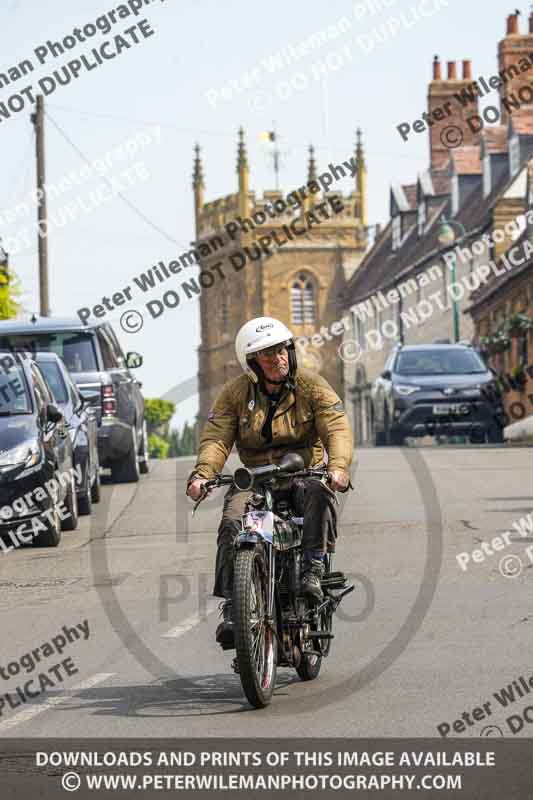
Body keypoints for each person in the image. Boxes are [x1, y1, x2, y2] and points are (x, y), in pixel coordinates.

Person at [186, 317, 353, 648]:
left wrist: (338, 467)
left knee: (319, 492)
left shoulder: (312, 385)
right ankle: (234, 605)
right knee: (234, 520)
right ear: (252, 364)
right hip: (257, 480)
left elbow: (336, 426)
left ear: (290, 351)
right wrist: (203, 474)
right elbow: (217, 437)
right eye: (266, 355)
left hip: (302, 473)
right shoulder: (235, 393)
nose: (277, 359)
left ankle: (312, 569)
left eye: (281, 351)